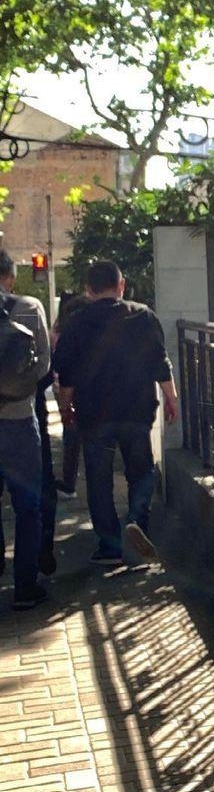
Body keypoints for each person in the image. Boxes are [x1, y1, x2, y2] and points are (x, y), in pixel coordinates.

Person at [53, 260, 178, 565]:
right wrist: (171, 397)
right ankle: (136, 520)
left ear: (88, 290)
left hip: (94, 415)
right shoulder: (143, 316)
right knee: (143, 472)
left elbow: (66, 374)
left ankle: (109, 547)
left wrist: (65, 408)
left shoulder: (76, 323)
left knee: (98, 480)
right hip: (137, 411)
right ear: (121, 286)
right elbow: (160, 361)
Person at [0, 250, 52, 609]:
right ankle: (25, 585)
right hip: (19, 420)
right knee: (27, 506)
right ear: (10, 276)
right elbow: (43, 365)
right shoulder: (30, 307)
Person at [52, 290, 88, 495]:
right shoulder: (90, 328)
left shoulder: (60, 330)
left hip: (64, 388)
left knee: (71, 434)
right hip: (90, 390)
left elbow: (57, 363)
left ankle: (69, 481)